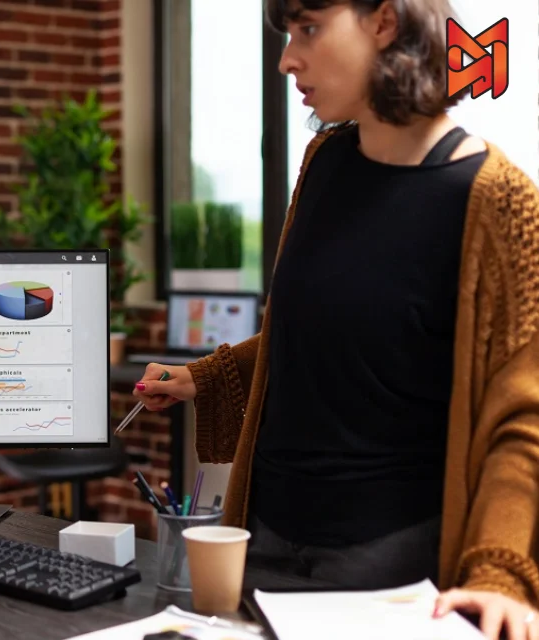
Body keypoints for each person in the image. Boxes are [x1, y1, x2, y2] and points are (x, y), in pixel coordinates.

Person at [133, 0, 539, 638]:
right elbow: (324, 327)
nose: (287, 58)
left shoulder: (497, 197)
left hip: (390, 565)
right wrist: (203, 378)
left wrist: (500, 575)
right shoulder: (324, 162)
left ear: (384, 22)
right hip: (264, 535)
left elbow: (523, 413)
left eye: (309, 29)